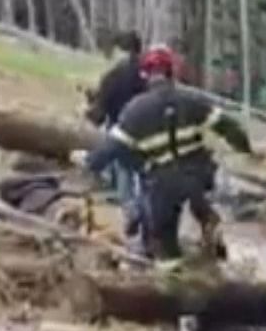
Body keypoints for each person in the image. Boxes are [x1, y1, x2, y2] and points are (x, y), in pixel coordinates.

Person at [74, 45, 256, 266]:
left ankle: (172, 274)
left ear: (145, 75)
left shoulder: (135, 110)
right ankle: (208, 225)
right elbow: (230, 128)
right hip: (198, 178)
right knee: (200, 210)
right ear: (172, 72)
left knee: (164, 247)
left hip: (163, 186)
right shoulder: (192, 101)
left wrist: (87, 162)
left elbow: (110, 149)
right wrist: (247, 151)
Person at [85, 31, 147, 246]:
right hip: (150, 133)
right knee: (145, 177)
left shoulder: (112, 77)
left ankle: (130, 214)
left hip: (121, 132)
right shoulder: (147, 74)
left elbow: (100, 112)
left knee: (124, 173)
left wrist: (89, 112)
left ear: (122, 50)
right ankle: (143, 211)